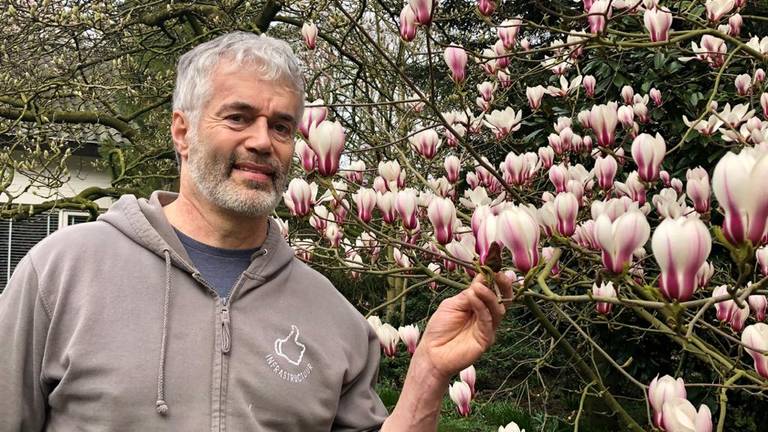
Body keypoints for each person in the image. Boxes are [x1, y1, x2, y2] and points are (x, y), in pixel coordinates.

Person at [0, 32, 513, 431]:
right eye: (238, 117)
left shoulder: (334, 318)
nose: (263, 142)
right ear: (182, 131)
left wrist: (427, 374)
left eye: (282, 126)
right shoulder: (62, 274)